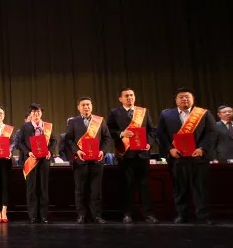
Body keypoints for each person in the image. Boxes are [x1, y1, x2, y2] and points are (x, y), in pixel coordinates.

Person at [156, 87, 217, 224]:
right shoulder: (166, 115)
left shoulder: (203, 113)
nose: (184, 99)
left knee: (200, 188)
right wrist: (170, 149)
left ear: (193, 99)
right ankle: (181, 215)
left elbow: (212, 133)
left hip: (198, 157)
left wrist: (202, 149)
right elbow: (160, 135)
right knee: (180, 188)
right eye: (181, 97)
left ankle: (203, 216)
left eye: (187, 96)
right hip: (177, 158)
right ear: (176, 100)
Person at [107, 87, 159, 224]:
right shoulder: (115, 113)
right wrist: (121, 134)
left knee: (144, 186)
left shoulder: (143, 111)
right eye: (126, 96)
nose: (129, 97)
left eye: (131, 95)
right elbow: (108, 130)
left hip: (142, 154)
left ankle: (148, 214)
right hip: (125, 154)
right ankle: (127, 214)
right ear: (120, 99)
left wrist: (149, 143)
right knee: (126, 185)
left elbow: (152, 130)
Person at [65, 97, 112, 224]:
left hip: (97, 160)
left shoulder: (99, 120)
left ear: (91, 106)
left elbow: (107, 138)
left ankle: (96, 216)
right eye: (83, 105)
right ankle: (81, 215)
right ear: (78, 107)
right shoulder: (73, 122)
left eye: (88, 105)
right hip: (80, 161)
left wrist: (102, 151)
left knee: (96, 190)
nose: (86, 107)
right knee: (80, 190)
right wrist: (77, 151)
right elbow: (69, 139)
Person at [16, 103, 56, 224]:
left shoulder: (47, 126)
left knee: (43, 188)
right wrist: (28, 153)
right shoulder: (25, 126)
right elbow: (20, 142)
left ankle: (43, 215)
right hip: (31, 160)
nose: (36, 114)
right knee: (31, 188)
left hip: (44, 161)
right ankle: (32, 215)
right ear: (30, 114)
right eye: (33, 112)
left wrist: (50, 151)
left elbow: (54, 140)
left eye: (38, 112)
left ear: (41, 113)